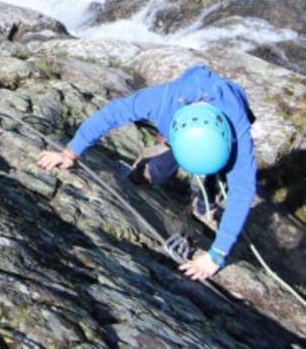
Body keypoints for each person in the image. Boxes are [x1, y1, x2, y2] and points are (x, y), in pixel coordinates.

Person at [37, 64, 256, 281]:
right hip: (175, 124)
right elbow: (112, 113)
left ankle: (204, 204)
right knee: (159, 173)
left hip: (220, 129)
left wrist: (216, 255)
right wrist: (69, 153)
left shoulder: (237, 128)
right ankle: (147, 168)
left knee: (218, 177)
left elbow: (243, 189)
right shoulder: (162, 101)